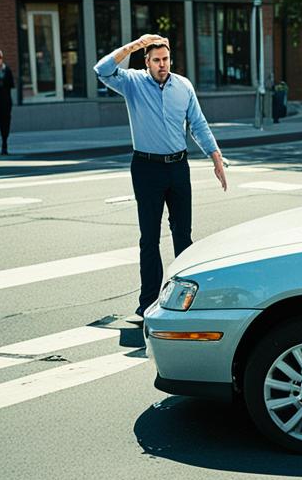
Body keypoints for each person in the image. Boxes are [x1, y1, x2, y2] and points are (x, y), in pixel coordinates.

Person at [93, 33, 227, 320]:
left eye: (165, 59)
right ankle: (148, 302)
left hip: (178, 167)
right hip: (147, 168)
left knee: (183, 234)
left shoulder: (183, 86)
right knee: (149, 238)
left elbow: (198, 124)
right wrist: (134, 44)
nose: (162, 64)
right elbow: (101, 69)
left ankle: (185, 298)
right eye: (156, 60)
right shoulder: (132, 83)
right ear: (147, 62)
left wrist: (215, 157)